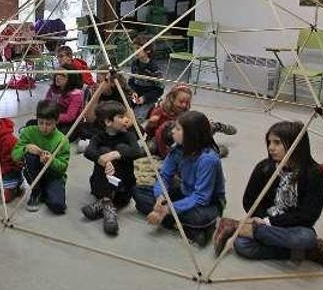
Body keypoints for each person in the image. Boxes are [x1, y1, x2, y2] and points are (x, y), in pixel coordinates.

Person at [213, 121, 323, 272]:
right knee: (242, 246)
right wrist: (259, 218)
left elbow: (308, 216)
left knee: (305, 238)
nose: (270, 148)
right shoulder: (264, 168)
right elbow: (250, 200)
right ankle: (307, 252)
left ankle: (236, 226)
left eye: (277, 143)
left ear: (296, 144)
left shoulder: (315, 175)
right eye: (269, 142)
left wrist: (267, 223)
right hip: (266, 225)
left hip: (293, 228)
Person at [134, 111, 226, 247]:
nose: (172, 132)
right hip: (183, 192)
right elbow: (164, 176)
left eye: (178, 129)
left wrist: (167, 209)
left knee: (200, 218)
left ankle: (189, 225)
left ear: (191, 134)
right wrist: (160, 197)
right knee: (138, 191)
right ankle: (187, 228)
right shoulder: (177, 149)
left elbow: (201, 197)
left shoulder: (208, 159)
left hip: (206, 203)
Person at [81, 101, 145, 236]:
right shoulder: (99, 136)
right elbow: (88, 151)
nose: (126, 119)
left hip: (123, 190)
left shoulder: (129, 135)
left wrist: (116, 154)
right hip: (100, 187)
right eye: (121, 117)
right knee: (102, 150)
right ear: (108, 122)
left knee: (122, 148)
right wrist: (103, 160)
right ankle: (107, 203)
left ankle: (103, 204)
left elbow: (137, 151)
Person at [143, 84, 236, 158]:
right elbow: (150, 133)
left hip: (182, 140)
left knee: (205, 127)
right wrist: (150, 125)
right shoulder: (159, 111)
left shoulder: (185, 114)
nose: (184, 105)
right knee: (149, 148)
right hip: (161, 139)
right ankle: (214, 151)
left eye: (187, 103)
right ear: (172, 99)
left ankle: (219, 127)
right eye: (181, 101)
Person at [12, 100, 70, 214]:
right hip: (34, 172)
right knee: (30, 156)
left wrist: (51, 160)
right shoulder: (28, 132)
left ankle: (44, 190)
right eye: (41, 122)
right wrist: (25, 148)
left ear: (57, 121)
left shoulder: (62, 140)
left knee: (58, 207)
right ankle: (36, 190)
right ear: (36, 119)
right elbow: (14, 155)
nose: (44, 127)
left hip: (54, 175)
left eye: (49, 124)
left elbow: (63, 167)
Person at [128, 34, 164, 120]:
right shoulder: (135, 64)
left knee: (139, 116)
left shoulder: (154, 68)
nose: (135, 51)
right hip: (136, 95)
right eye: (134, 49)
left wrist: (145, 98)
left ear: (148, 50)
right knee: (124, 110)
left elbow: (159, 89)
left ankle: (154, 108)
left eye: (138, 49)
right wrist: (132, 91)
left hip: (148, 97)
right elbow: (131, 81)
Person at [44, 64, 85, 136]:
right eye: (57, 74)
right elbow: (46, 104)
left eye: (63, 75)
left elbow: (70, 117)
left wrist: (51, 117)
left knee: (57, 134)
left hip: (70, 123)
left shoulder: (76, 94)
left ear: (70, 79)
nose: (58, 77)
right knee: (32, 124)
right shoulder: (52, 89)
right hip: (53, 119)